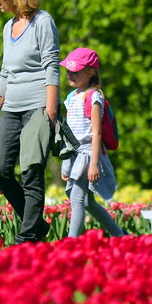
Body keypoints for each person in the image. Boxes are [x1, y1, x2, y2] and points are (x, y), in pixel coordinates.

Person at [0, 0, 59, 244]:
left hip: (38, 106)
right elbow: (6, 73)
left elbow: (52, 67)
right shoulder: (8, 27)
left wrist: (50, 113)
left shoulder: (42, 21)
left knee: (31, 172)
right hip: (11, 109)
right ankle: (36, 225)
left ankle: (27, 239)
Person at [59, 47, 124, 238]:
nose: (70, 74)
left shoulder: (93, 96)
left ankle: (72, 242)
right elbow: (68, 133)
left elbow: (96, 133)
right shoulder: (71, 97)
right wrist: (66, 165)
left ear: (90, 72)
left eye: (75, 71)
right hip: (74, 154)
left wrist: (94, 164)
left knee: (77, 200)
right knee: (88, 203)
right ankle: (119, 236)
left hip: (88, 154)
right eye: (68, 71)